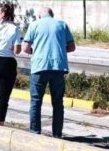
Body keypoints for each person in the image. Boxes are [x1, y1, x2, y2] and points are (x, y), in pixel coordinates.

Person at [23, 7, 75, 138]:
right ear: (52, 15)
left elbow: (26, 48)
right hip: (58, 67)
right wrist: (60, 50)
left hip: (39, 67)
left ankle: (35, 132)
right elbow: (72, 47)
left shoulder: (34, 25)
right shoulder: (62, 25)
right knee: (58, 103)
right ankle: (57, 134)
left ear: (41, 15)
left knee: (36, 101)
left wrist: (36, 51)